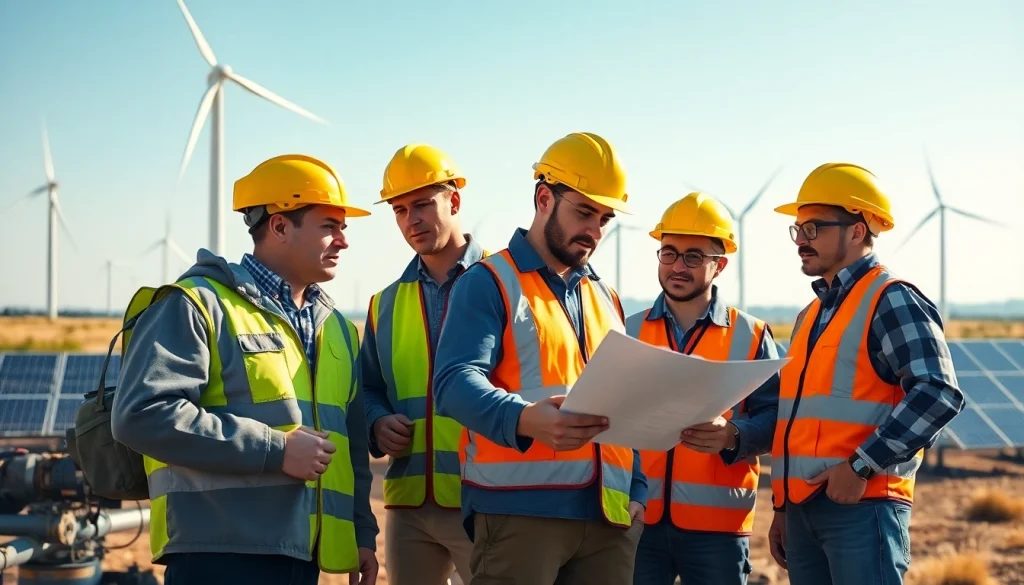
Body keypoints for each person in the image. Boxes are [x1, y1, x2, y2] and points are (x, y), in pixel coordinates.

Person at [111, 154, 380, 585]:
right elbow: (140, 415)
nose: (343, 241)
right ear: (279, 227)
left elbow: (350, 447)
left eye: (343, 228)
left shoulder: (340, 332)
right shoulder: (197, 304)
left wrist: (362, 531)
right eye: (329, 226)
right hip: (217, 556)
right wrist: (275, 450)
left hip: (303, 555)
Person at [431, 131, 647, 584]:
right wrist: (526, 418)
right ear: (544, 197)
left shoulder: (605, 296)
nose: (594, 230)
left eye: (605, 218)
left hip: (609, 518)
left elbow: (622, 400)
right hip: (520, 514)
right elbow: (452, 384)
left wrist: (638, 490)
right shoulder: (489, 281)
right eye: (584, 212)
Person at [767, 162, 964, 584]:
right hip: (803, 511)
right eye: (798, 229)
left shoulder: (891, 298)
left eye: (814, 228)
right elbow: (796, 420)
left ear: (857, 231)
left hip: (863, 507)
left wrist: (860, 466)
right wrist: (783, 508)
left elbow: (938, 393)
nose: (801, 239)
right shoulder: (811, 315)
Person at [627, 192, 781, 585]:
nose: (678, 266)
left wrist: (734, 435)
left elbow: (776, 418)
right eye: (669, 253)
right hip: (635, 517)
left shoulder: (751, 335)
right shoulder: (626, 330)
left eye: (693, 256)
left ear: (720, 264)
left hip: (719, 528)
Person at [360, 143, 482, 585]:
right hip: (409, 502)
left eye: (422, 205)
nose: (411, 219)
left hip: (485, 499)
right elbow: (368, 389)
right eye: (399, 209)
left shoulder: (506, 284)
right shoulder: (384, 304)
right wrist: (376, 422)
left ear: (455, 200)